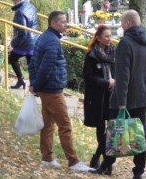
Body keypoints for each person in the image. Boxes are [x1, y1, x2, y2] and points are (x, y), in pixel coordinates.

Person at [97, 10, 146, 178]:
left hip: (122, 97)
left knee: (114, 131)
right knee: (140, 133)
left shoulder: (126, 43)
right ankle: (138, 170)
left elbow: (122, 75)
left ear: (128, 24)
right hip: (141, 96)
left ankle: (106, 164)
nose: (120, 26)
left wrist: (121, 102)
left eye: (122, 23)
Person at [29, 11, 93, 172]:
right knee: (64, 124)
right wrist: (36, 85)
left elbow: (33, 62)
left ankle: (47, 156)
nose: (66, 25)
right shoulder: (51, 41)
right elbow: (46, 67)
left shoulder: (45, 37)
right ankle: (73, 161)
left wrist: (35, 84)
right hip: (52, 89)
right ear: (53, 23)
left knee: (48, 123)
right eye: (63, 22)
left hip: (46, 88)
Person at [82, 25, 116, 172]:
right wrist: (106, 83)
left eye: (110, 36)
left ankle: (99, 158)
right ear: (99, 37)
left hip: (113, 96)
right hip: (98, 97)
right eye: (106, 36)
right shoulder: (92, 55)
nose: (109, 39)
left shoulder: (114, 52)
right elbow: (88, 77)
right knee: (100, 127)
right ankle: (105, 162)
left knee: (111, 128)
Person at [9, 0, 39, 89]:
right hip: (34, 39)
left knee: (12, 59)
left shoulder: (19, 12)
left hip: (25, 42)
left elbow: (22, 32)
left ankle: (21, 80)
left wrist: (13, 43)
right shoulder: (31, 6)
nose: (12, 2)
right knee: (32, 65)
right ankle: (34, 86)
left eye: (13, 0)